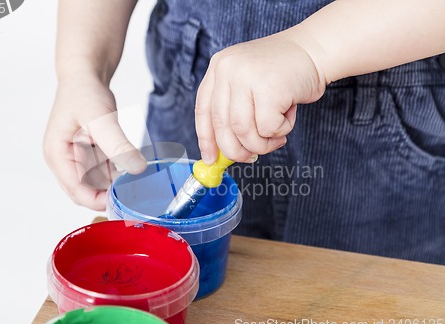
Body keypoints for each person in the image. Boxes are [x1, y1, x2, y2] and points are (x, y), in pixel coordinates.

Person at [44, 0, 445, 264]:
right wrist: (81, 68)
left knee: (364, 300)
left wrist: (312, 49)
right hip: (193, 84)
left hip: (389, 129)